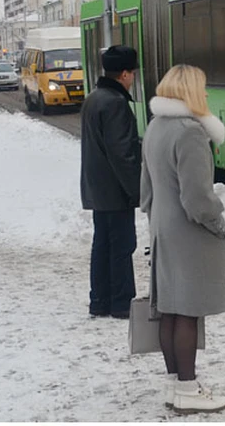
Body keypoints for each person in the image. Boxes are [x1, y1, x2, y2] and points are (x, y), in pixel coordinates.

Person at [140, 64, 225, 414]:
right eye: (203, 88)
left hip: (163, 226)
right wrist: (218, 224)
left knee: (170, 310)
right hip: (189, 232)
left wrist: (156, 221)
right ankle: (189, 389)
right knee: (188, 311)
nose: (206, 94)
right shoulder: (190, 132)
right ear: (191, 92)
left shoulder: (155, 127)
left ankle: (175, 384)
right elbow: (198, 198)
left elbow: (146, 190)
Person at [79, 45, 141, 320]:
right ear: (125, 74)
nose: (134, 78)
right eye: (133, 73)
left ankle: (100, 300)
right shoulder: (115, 103)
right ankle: (120, 303)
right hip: (115, 190)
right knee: (122, 245)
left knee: (102, 244)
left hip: (98, 188)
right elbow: (123, 154)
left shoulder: (94, 97)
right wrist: (137, 191)